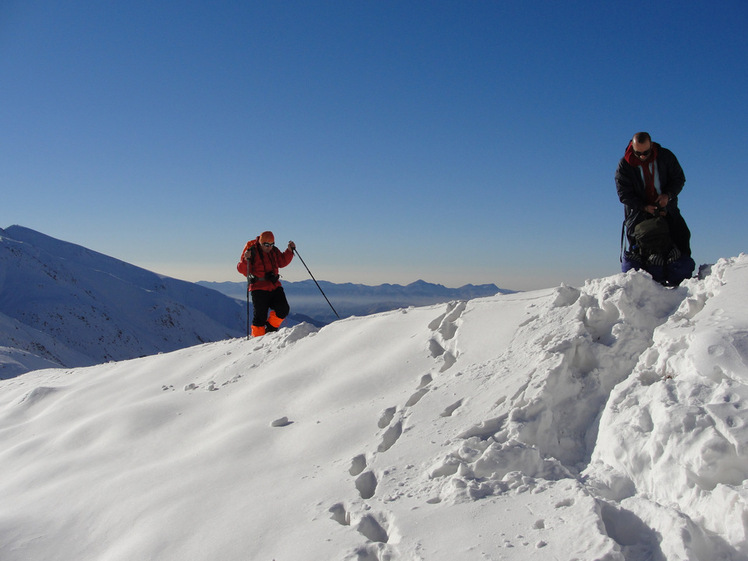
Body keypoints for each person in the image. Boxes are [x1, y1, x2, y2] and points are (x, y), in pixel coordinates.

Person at [615, 132, 695, 286]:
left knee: (681, 237)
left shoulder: (665, 157)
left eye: (646, 152)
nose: (643, 156)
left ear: (651, 145)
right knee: (641, 247)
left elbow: (679, 178)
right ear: (632, 147)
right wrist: (644, 207)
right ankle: (644, 284)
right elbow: (624, 194)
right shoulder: (625, 165)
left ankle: (681, 281)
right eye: (638, 153)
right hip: (638, 215)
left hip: (668, 209)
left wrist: (668, 195)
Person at [236, 231, 296, 337]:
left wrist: (289, 251)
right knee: (260, 318)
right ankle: (257, 340)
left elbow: (282, 261)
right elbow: (242, 270)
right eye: (266, 245)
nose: (269, 247)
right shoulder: (252, 251)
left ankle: (270, 329)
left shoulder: (274, 251)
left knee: (283, 309)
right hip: (258, 288)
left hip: (274, 285)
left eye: (272, 244)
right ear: (260, 242)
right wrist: (246, 259)